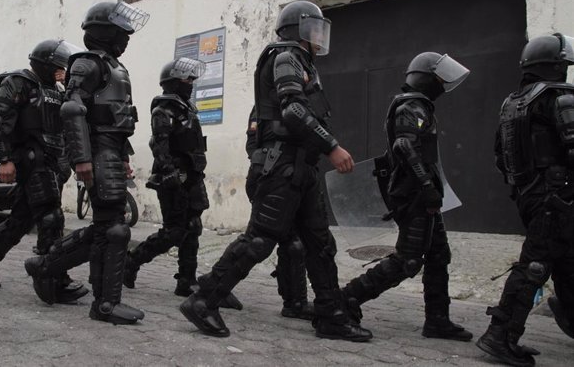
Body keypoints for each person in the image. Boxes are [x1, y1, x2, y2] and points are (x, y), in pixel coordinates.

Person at [179, 0, 371, 340]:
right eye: (313, 28)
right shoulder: (286, 58)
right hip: (282, 167)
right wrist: (332, 146)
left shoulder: (301, 61)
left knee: (320, 244)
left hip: (302, 168)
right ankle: (203, 300)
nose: (318, 36)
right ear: (297, 30)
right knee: (259, 241)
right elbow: (294, 111)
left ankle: (330, 314)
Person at [24, 1, 149, 326]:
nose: (127, 37)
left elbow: (118, 120)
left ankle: (47, 267)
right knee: (114, 229)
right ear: (107, 32)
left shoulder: (114, 66)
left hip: (110, 149)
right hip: (96, 150)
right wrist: (81, 157)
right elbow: (72, 109)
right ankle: (105, 303)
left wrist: (123, 157)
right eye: (122, 32)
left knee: (106, 228)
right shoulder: (88, 64)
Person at [339, 52, 472, 343]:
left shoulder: (419, 106)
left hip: (423, 195)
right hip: (413, 196)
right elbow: (404, 146)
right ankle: (346, 299)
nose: (441, 82)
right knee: (408, 260)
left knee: (438, 255)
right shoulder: (412, 107)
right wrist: (426, 185)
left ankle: (438, 320)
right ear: (425, 77)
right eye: (437, 76)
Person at [476, 33, 574, 367]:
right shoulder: (559, 97)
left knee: (566, 258)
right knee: (535, 265)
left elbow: (500, 157)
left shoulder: (513, 103)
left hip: (530, 194)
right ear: (556, 65)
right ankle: (500, 335)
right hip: (558, 195)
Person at [0, 39, 85, 303]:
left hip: (51, 162)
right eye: (59, 65)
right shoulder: (18, 82)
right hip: (31, 159)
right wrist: (5, 159)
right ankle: (53, 279)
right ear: (44, 63)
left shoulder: (59, 89)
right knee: (51, 218)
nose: (62, 69)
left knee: (20, 221)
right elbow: (1, 123)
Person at [123, 57, 211, 296]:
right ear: (172, 82)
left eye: (192, 78)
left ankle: (186, 280)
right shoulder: (163, 109)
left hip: (192, 174)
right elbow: (160, 144)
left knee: (193, 226)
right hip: (173, 176)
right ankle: (131, 262)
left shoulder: (187, 108)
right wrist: (170, 173)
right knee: (174, 231)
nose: (191, 82)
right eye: (186, 78)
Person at [245, 108, 314, 320]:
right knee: (256, 243)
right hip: (271, 179)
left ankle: (295, 302)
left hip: (291, 180)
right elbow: (252, 146)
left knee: (292, 243)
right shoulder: (265, 108)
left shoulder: (301, 105)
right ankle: (213, 289)